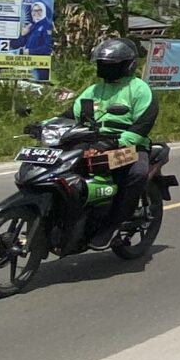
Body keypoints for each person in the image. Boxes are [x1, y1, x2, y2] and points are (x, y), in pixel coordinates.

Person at [71, 36, 157, 243]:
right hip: (94, 142)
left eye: (111, 65)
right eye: (102, 64)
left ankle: (115, 221)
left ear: (127, 65)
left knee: (136, 173)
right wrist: (45, 124)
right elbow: (71, 114)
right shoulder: (94, 90)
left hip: (129, 146)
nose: (105, 68)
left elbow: (143, 124)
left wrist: (116, 142)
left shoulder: (139, 88)